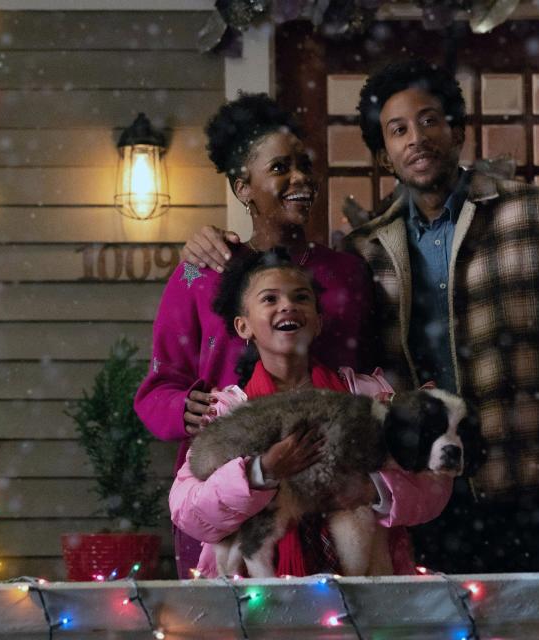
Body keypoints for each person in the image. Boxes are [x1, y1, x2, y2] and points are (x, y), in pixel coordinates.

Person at [179, 60, 539, 573]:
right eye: (398, 129)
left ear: (456, 130)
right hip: (423, 493)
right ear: (384, 152)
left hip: (528, 482)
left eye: (430, 121)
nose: (417, 139)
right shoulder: (367, 250)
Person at [134, 93, 374, 578]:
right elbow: (158, 388)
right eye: (281, 168)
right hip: (226, 495)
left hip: (332, 494)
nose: (302, 179)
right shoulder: (202, 273)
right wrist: (183, 408)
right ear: (244, 188)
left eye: (305, 166)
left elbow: (367, 377)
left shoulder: (347, 274)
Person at [169, 248, 452, 577]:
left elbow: (434, 484)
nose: (287, 306)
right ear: (243, 326)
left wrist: (369, 489)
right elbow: (187, 510)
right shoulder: (227, 412)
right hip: (258, 597)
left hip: (364, 594)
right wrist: (260, 473)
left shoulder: (366, 396)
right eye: (270, 299)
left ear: (318, 321)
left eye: (301, 297)